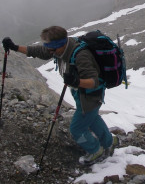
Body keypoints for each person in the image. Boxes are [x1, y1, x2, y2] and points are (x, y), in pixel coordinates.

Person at [2, 26, 118, 165]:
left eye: (52, 49)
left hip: (90, 96)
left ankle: (94, 150)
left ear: (60, 44)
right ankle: (109, 143)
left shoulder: (81, 56)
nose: (50, 52)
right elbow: (40, 51)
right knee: (92, 118)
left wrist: (76, 81)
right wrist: (15, 47)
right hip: (82, 95)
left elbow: (93, 81)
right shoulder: (59, 48)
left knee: (76, 129)